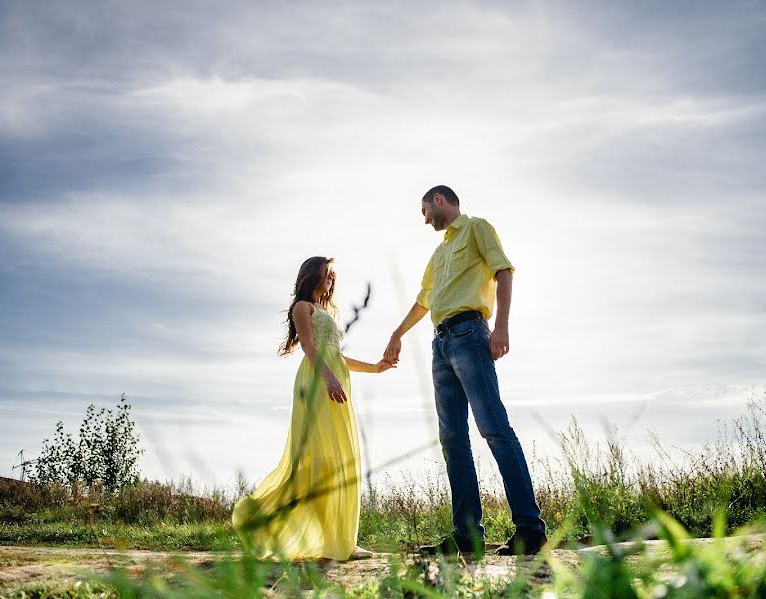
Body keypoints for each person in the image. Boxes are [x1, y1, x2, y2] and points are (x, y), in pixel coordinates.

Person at [383, 185, 548, 556]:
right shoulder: (439, 253)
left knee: (493, 427)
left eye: (425, 211)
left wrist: (501, 327)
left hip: (470, 333)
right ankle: (467, 535)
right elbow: (424, 300)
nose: (426, 220)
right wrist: (396, 334)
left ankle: (529, 529)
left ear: (438, 200)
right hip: (440, 344)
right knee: (452, 440)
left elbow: (503, 272)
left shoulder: (477, 228)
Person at [233, 256, 394, 561]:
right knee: (317, 460)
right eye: (325, 275)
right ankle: (266, 520)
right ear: (310, 277)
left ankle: (343, 542)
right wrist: (330, 379)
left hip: (335, 383)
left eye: (333, 277)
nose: (330, 281)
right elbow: (309, 346)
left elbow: (337, 355)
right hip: (318, 383)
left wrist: (376, 368)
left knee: (341, 460)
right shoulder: (302, 308)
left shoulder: (326, 311)